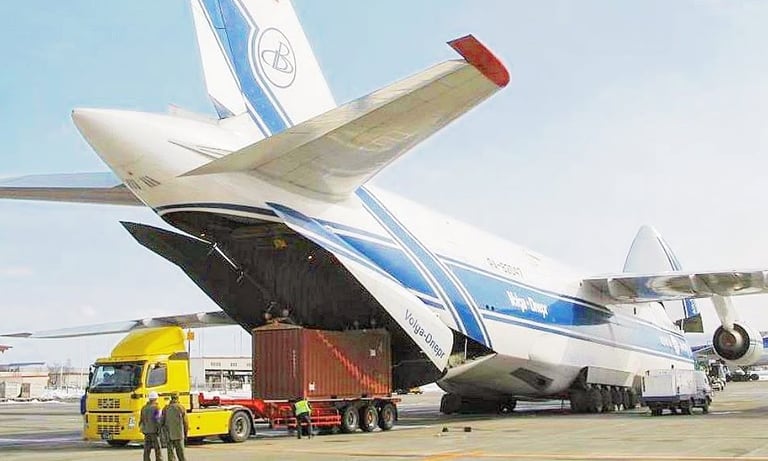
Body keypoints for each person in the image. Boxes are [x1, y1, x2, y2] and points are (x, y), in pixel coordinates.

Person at [162, 393, 189, 461]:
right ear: (178, 398)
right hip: (179, 435)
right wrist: (185, 434)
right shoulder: (181, 407)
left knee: (171, 455)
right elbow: (186, 422)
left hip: (169, 435)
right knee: (181, 455)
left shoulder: (166, 408)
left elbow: (161, 422)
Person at [140, 391, 163, 461]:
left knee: (147, 449)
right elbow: (158, 420)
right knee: (157, 449)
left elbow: (141, 420)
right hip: (154, 432)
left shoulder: (143, 408)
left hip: (146, 431)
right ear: (156, 399)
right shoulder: (157, 408)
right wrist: (160, 431)